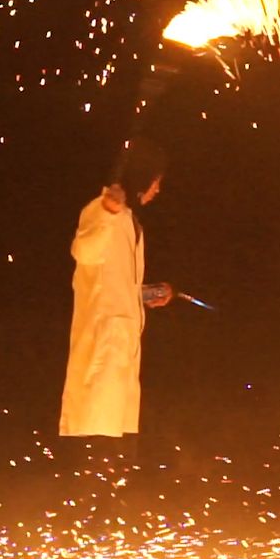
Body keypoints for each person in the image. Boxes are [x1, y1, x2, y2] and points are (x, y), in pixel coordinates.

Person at [59, 139, 172, 439]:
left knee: (115, 436)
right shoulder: (100, 211)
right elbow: (84, 252)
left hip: (122, 347)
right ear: (143, 177)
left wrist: (147, 293)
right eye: (156, 182)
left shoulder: (131, 222)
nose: (157, 190)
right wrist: (108, 212)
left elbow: (118, 281)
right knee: (95, 436)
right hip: (102, 343)